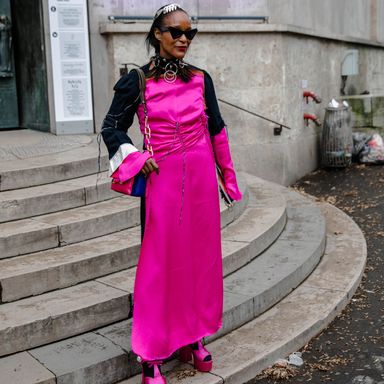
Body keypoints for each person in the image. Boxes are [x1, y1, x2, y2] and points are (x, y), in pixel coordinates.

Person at [101, 4, 242, 383]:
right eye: (175, 32)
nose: (183, 39)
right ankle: (151, 355)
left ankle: (192, 337)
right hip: (162, 185)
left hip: (199, 185)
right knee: (160, 266)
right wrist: (135, 156)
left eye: (189, 33)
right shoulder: (138, 81)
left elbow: (217, 129)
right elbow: (112, 127)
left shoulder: (200, 78)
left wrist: (228, 180)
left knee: (199, 261)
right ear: (157, 35)